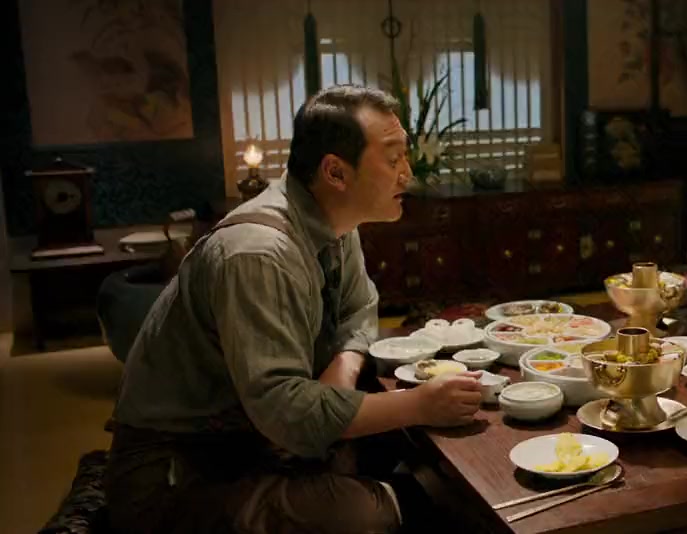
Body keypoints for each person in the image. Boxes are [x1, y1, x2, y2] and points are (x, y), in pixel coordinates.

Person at [104, 85, 481, 533]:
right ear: (335, 172)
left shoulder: (335, 220)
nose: (408, 174)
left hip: (256, 441)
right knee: (369, 513)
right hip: (179, 471)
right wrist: (417, 405)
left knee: (406, 457)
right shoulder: (258, 253)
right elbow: (287, 410)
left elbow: (360, 306)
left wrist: (342, 368)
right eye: (394, 158)